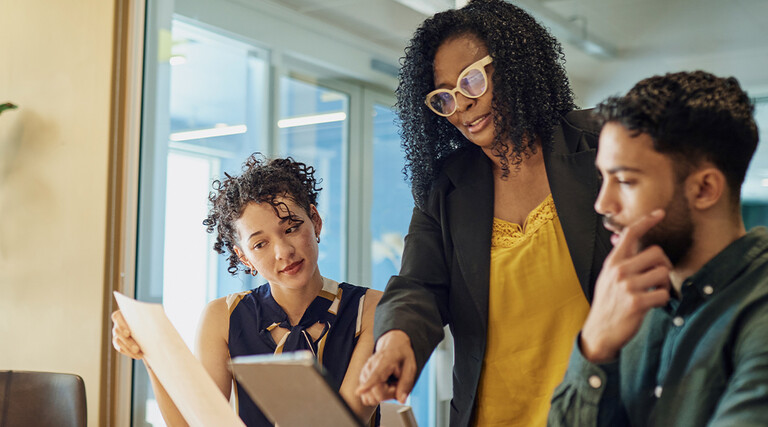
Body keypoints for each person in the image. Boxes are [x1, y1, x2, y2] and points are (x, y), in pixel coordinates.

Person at [356, 0, 612, 425]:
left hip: (601, 410)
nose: (462, 106)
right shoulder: (446, 189)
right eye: (444, 97)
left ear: (515, 67)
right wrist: (396, 337)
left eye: (471, 81)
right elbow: (418, 287)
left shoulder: (602, 144)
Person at [548, 71, 767, 426]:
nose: (602, 203)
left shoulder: (759, 309)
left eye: (625, 181)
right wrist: (595, 347)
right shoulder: (632, 302)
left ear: (704, 189)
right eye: (604, 179)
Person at [112, 155, 382, 426]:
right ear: (244, 258)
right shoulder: (223, 317)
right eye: (260, 244)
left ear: (315, 221)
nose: (283, 252)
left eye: (291, 228)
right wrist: (149, 353)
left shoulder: (371, 308)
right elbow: (194, 423)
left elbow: (347, 422)